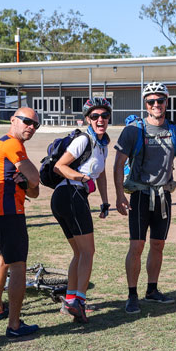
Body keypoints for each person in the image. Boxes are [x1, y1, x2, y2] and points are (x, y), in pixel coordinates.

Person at [113, 81, 176, 314]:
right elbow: (119, 164)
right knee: (136, 246)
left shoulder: (174, 131)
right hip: (140, 195)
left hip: (163, 197)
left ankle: (152, 290)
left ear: (167, 102)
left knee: (158, 245)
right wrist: (120, 194)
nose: (156, 104)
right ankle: (131, 295)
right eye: (151, 101)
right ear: (145, 104)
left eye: (160, 100)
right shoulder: (133, 130)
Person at [0, 107, 41, 338]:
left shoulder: (10, 145)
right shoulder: (11, 144)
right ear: (13, 120)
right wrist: (29, 179)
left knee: (3, 259)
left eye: (36, 124)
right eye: (27, 121)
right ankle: (14, 325)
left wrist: (27, 181)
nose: (31, 127)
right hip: (7, 214)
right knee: (18, 266)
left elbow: (34, 192)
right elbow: (35, 179)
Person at [51, 98, 112, 323]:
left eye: (104, 116)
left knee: (79, 252)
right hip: (70, 194)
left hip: (69, 196)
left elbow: (102, 173)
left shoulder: (102, 144)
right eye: (95, 116)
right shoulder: (84, 140)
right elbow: (60, 166)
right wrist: (82, 177)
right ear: (87, 119)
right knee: (88, 252)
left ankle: (70, 301)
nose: (100, 120)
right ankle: (79, 302)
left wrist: (105, 201)